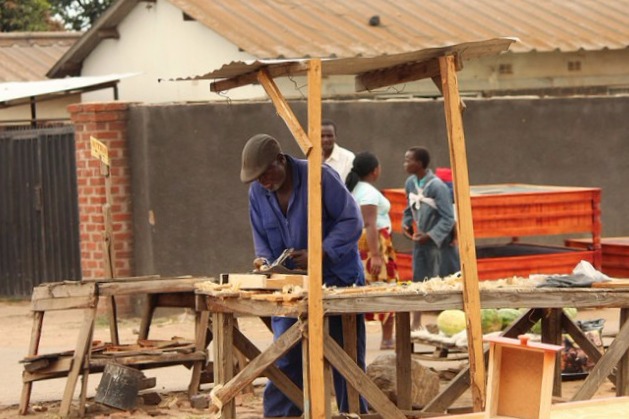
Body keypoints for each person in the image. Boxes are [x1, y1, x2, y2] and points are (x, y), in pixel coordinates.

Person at [240, 133, 368, 417]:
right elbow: (260, 236)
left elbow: (352, 221)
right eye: (256, 178)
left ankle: (356, 414)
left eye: (265, 173)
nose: (262, 181)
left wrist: (319, 252)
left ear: (281, 160)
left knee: (346, 361)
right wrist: (263, 261)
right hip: (292, 287)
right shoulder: (258, 192)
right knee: (285, 356)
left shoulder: (320, 177)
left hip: (337, 280)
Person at [345, 152, 399, 350]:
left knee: (365, 289)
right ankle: (386, 339)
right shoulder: (367, 192)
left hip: (366, 244)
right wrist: (376, 255)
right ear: (375, 170)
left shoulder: (356, 188)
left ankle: (366, 339)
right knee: (386, 289)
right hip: (374, 246)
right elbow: (370, 224)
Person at [402, 147, 459, 330]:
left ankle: (452, 322)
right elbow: (408, 206)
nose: (405, 164)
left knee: (445, 279)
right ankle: (416, 322)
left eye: (408, 160)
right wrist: (407, 223)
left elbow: (448, 217)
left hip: (439, 243)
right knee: (419, 279)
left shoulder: (437, 187)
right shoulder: (411, 183)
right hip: (421, 240)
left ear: (419, 164)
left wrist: (431, 235)